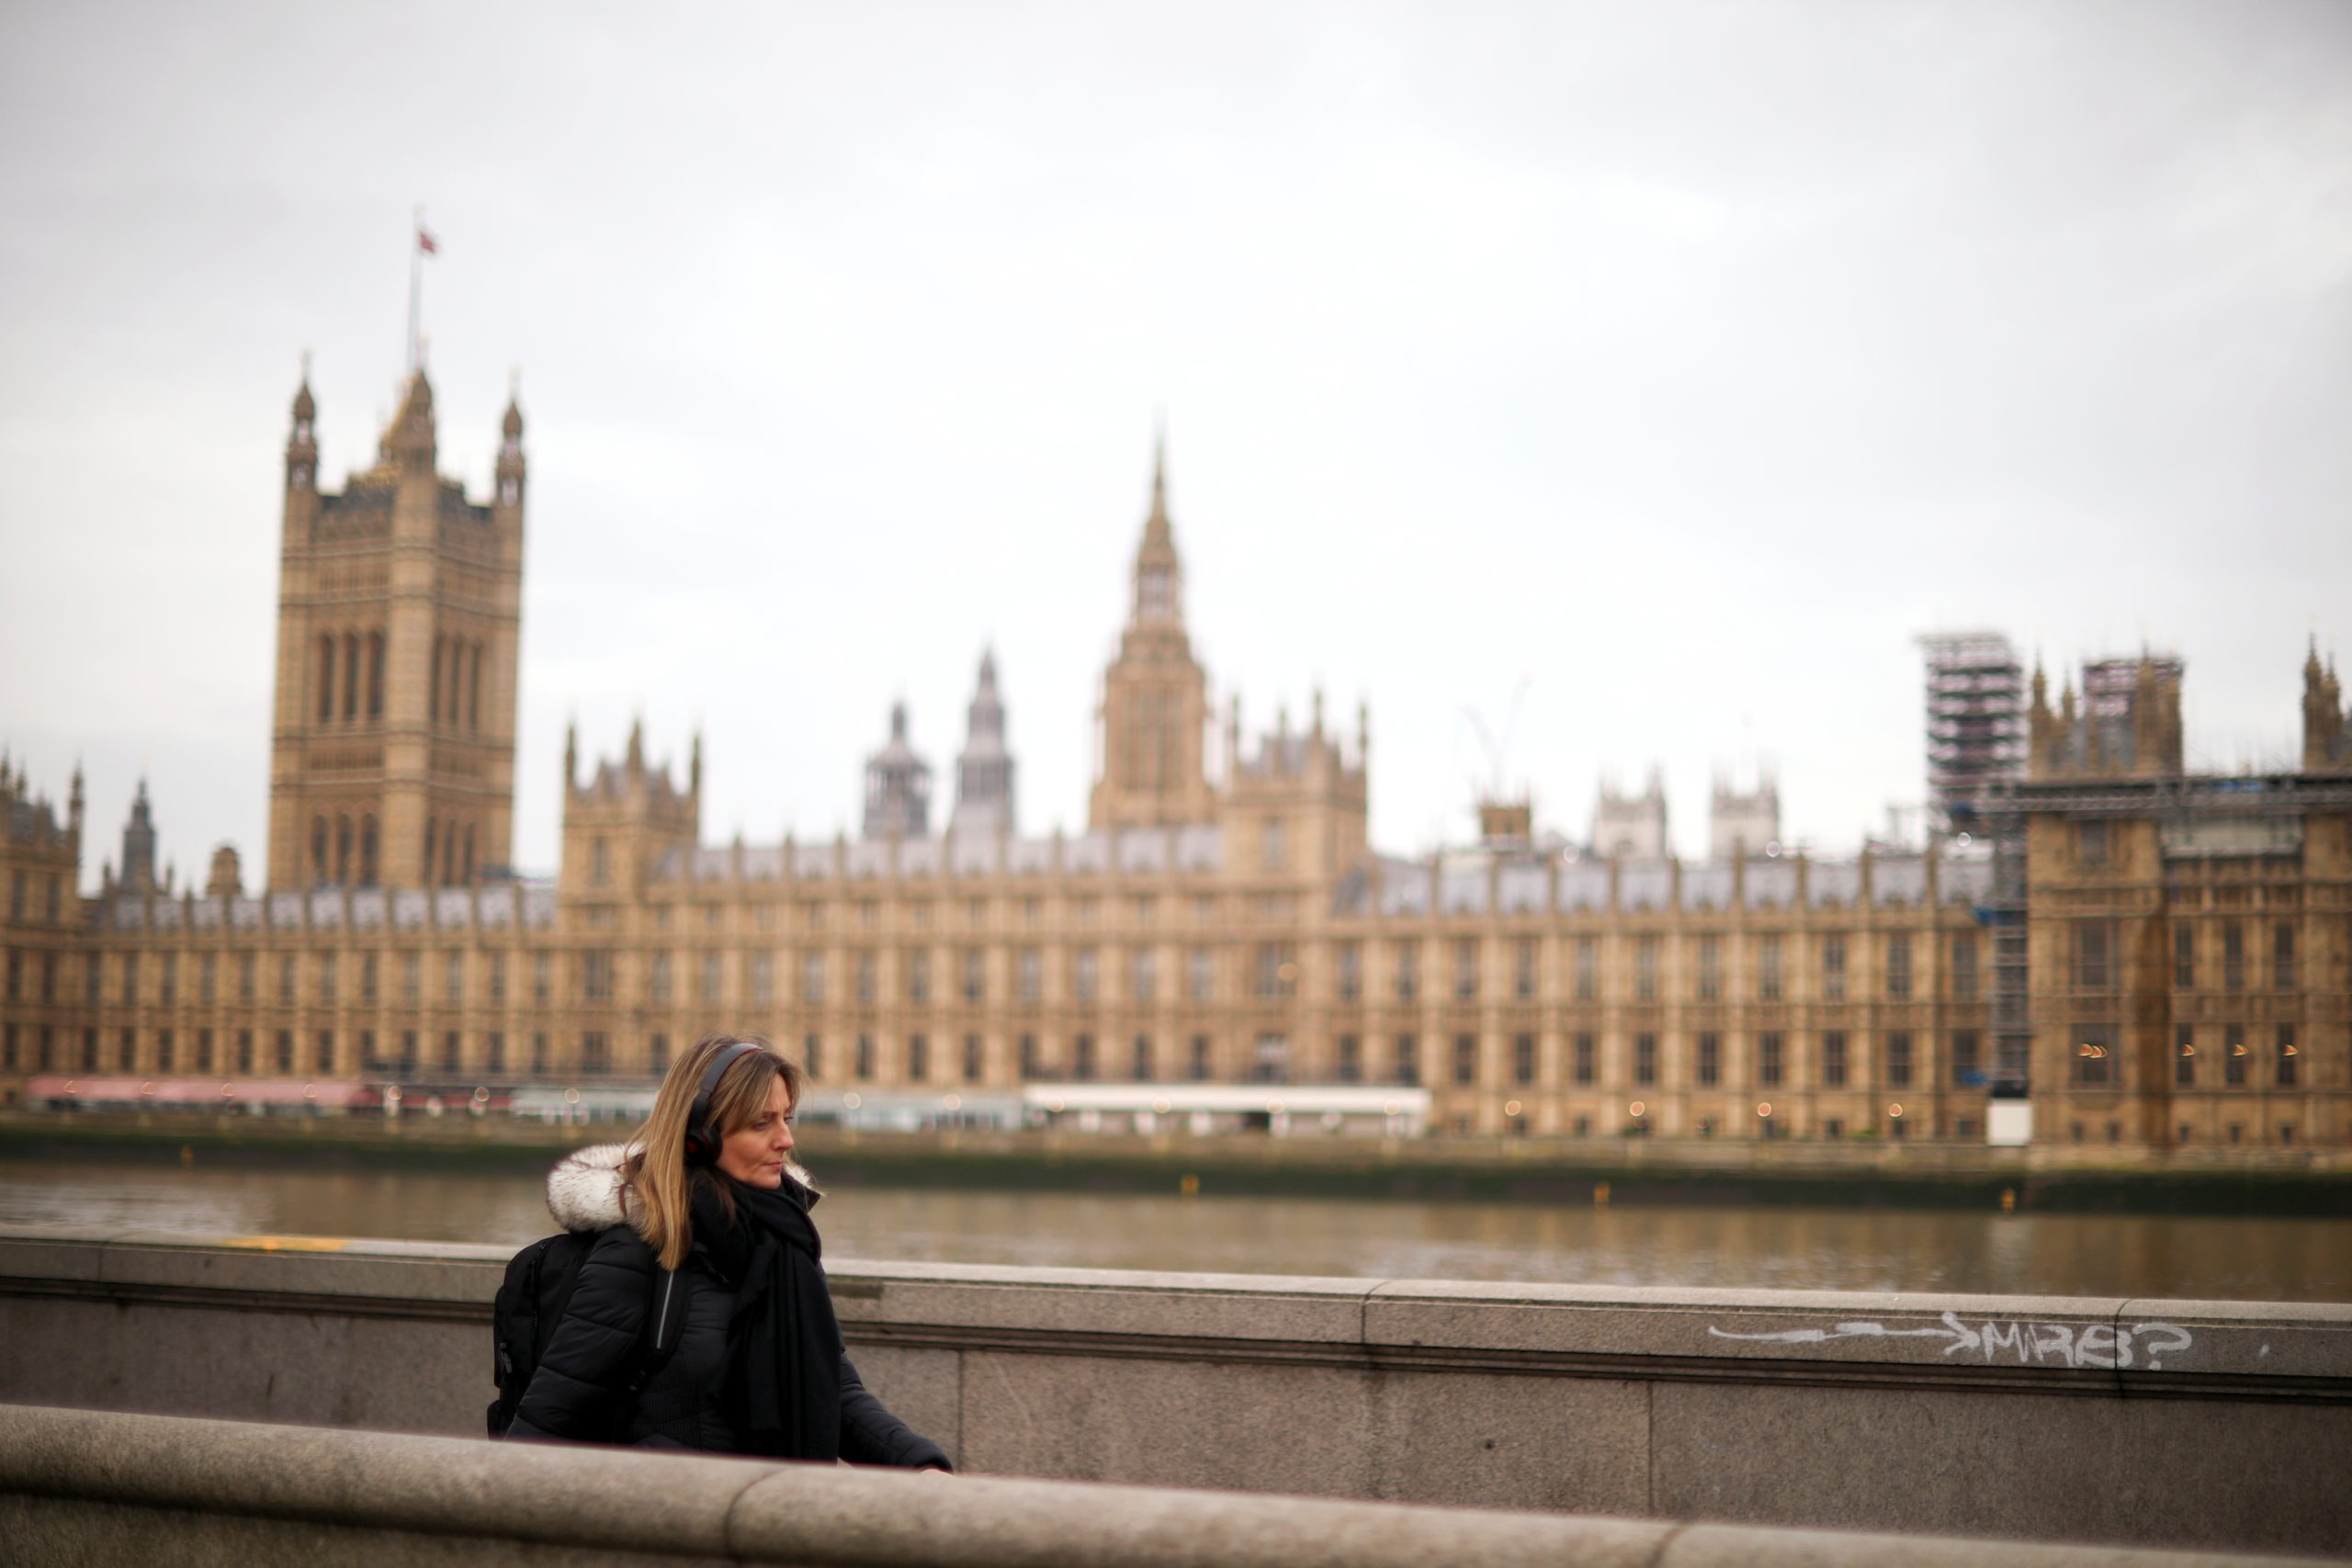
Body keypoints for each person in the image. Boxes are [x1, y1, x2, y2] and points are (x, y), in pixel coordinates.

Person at [506, 1032, 950, 1468]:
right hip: (669, 1525)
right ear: (700, 1134)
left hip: (773, 1516)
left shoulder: (785, 1245)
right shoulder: (638, 1253)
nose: (786, 1140)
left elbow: (833, 1390)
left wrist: (919, 1465)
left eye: (786, 1119)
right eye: (762, 1123)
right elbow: (546, 1424)